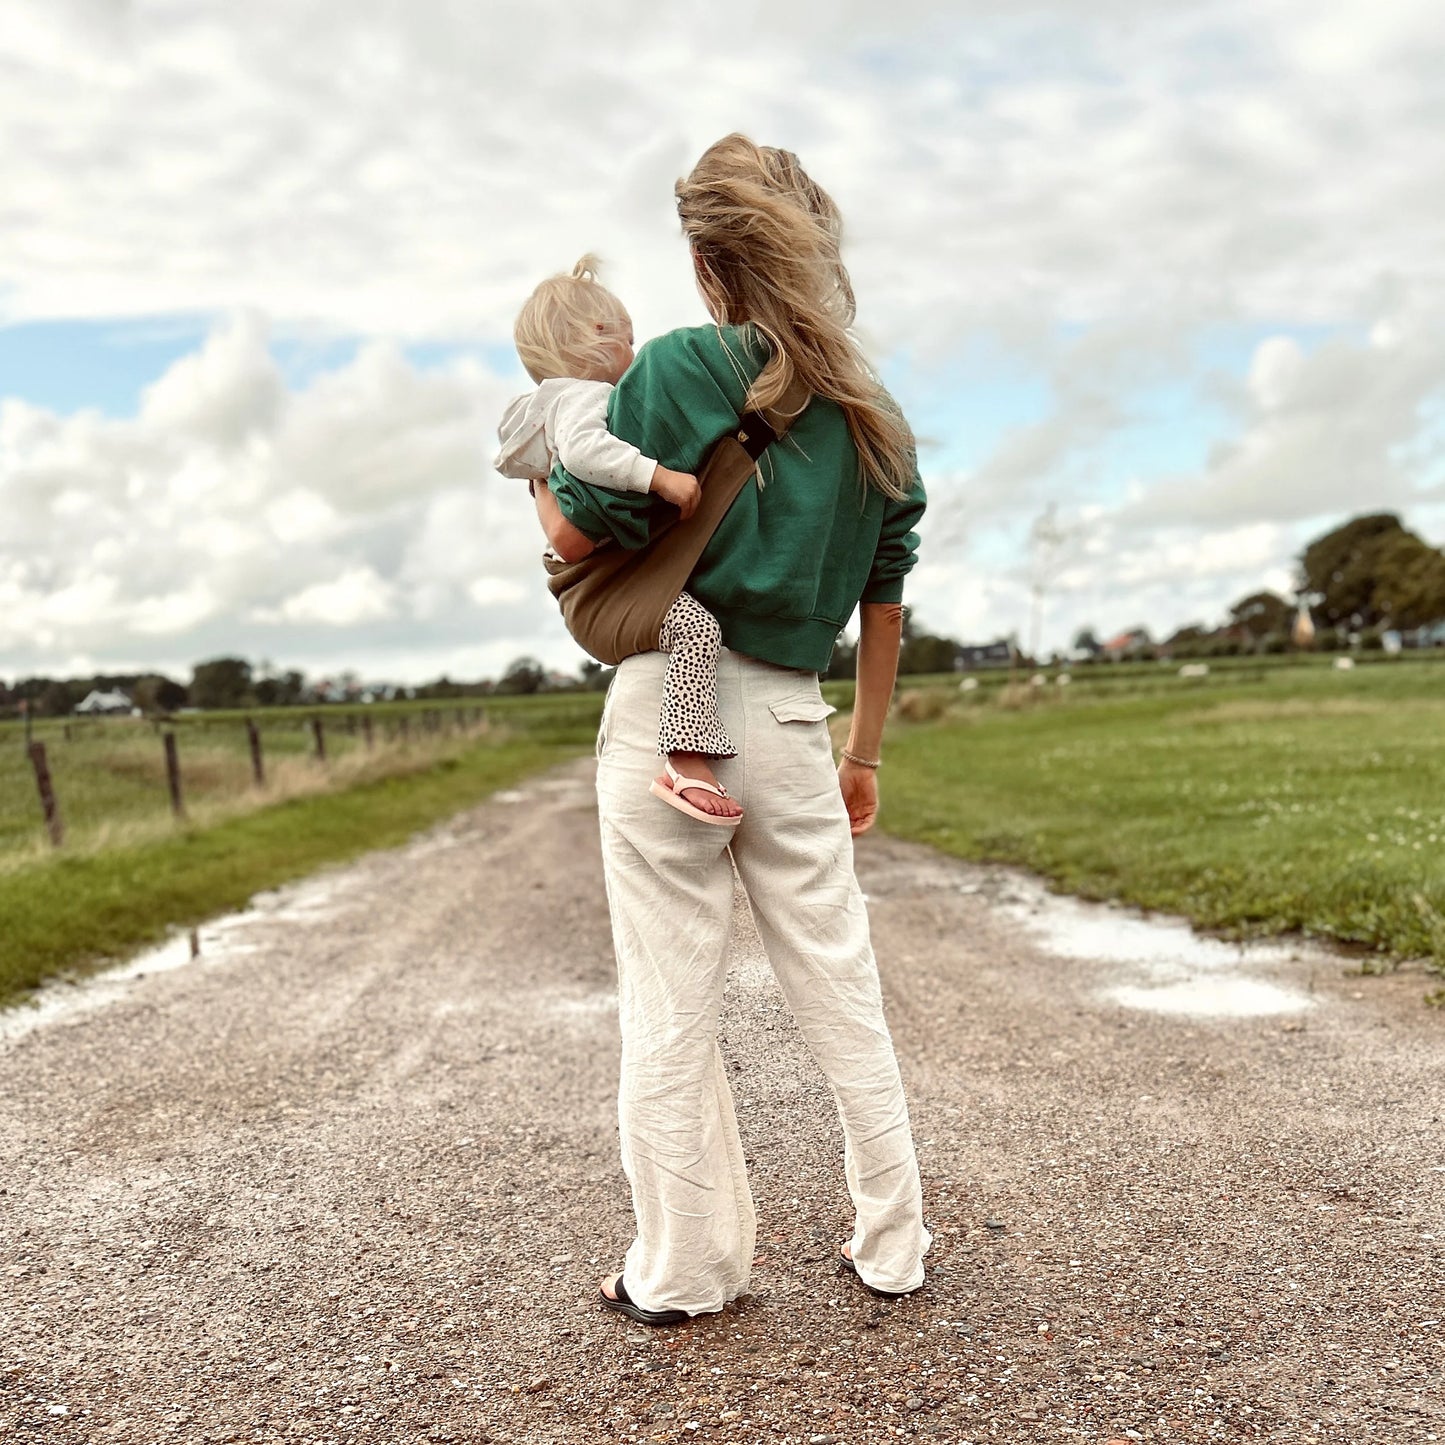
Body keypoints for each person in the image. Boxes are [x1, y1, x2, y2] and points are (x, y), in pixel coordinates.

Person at [532, 133, 931, 1324]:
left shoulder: (676, 367)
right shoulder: (878, 418)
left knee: (670, 996)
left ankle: (683, 1272)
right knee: (838, 977)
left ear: (708, 262)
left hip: (672, 693)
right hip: (795, 712)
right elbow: (884, 596)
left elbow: (587, 531)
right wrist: (861, 752)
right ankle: (893, 1241)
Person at [496, 256, 745, 824]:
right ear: (597, 339)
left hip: (585, 580)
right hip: (599, 578)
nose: (635, 355)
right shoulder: (582, 397)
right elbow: (588, 455)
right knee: (696, 628)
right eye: (628, 340)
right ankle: (685, 761)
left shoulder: (546, 410)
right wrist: (658, 477)